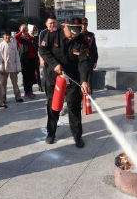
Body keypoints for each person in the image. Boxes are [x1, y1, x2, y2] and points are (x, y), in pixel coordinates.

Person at [39, 17, 91, 148]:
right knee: (53, 104)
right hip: (54, 76)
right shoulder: (52, 33)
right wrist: (54, 64)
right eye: (71, 31)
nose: (74, 35)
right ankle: (51, 133)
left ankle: (77, 136)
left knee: (73, 105)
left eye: (76, 32)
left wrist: (84, 80)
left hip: (72, 76)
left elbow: (83, 62)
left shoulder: (82, 40)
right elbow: (43, 50)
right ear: (64, 26)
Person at [0, 30, 23, 103]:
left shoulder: (14, 45)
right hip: (3, 68)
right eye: (5, 35)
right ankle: (3, 98)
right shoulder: (0, 45)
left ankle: (18, 97)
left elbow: (17, 57)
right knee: (2, 83)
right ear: (3, 36)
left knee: (15, 83)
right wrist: (0, 68)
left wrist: (18, 68)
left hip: (13, 67)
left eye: (8, 35)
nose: (7, 36)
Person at [16, 24, 37, 99]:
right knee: (26, 77)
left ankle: (30, 91)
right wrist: (21, 31)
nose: (25, 31)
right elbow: (16, 37)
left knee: (31, 76)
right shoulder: (20, 39)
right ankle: (27, 92)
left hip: (32, 60)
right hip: (25, 61)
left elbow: (35, 34)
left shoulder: (29, 38)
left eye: (26, 29)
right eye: (23, 30)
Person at [81, 17, 98, 94]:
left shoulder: (91, 35)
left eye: (85, 24)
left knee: (89, 79)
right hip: (78, 61)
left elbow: (94, 48)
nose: (83, 26)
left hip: (89, 60)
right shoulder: (76, 35)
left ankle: (88, 96)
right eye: (82, 25)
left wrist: (95, 60)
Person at [29, 24, 44, 92]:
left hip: (36, 57)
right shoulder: (27, 38)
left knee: (37, 72)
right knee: (30, 73)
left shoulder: (37, 37)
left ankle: (39, 85)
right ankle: (30, 87)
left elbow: (39, 47)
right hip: (29, 58)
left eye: (35, 30)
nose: (33, 31)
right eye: (32, 30)